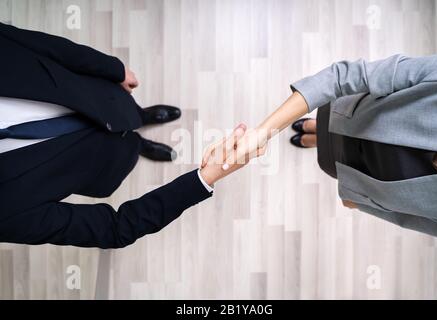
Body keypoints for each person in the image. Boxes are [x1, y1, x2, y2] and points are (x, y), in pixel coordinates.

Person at [0, 22, 261, 249]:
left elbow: (41, 46)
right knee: (128, 149)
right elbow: (115, 228)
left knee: (127, 112)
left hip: (101, 99)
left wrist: (112, 69)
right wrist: (207, 177)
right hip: (102, 165)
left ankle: (144, 116)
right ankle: (139, 145)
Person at [203, 54, 437, 240]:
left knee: (326, 155)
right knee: (327, 123)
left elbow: (410, 218)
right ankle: (315, 129)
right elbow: (346, 77)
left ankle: (314, 138)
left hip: (358, 175)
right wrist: (263, 131)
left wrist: (366, 204)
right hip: (352, 116)